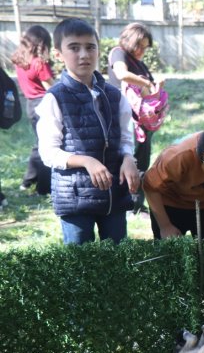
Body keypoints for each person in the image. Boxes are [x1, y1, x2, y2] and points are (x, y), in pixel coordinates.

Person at [36, 18, 140, 245]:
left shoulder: (114, 95)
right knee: (79, 263)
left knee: (116, 257)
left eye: (90, 47)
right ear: (58, 55)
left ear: (98, 50)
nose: (84, 54)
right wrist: (86, 161)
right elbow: (48, 152)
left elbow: (125, 137)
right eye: (74, 47)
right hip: (75, 199)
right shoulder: (55, 98)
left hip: (114, 194)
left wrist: (129, 158)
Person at [107, 22, 164, 214]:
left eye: (145, 47)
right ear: (129, 40)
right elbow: (121, 74)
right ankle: (126, 204)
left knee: (142, 162)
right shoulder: (119, 53)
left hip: (143, 120)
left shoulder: (139, 63)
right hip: (126, 120)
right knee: (129, 161)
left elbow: (148, 89)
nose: (141, 51)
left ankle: (136, 204)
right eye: (139, 45)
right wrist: (146, 82)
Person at [11, 25, 54, 195]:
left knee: (39, 144)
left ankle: (28, 181)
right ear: (42, 43)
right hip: (44, 104)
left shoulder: (21, 61)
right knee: (47, 145)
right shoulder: (39, 63)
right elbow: (50, 87)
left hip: (31, 104)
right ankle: (43, 188)